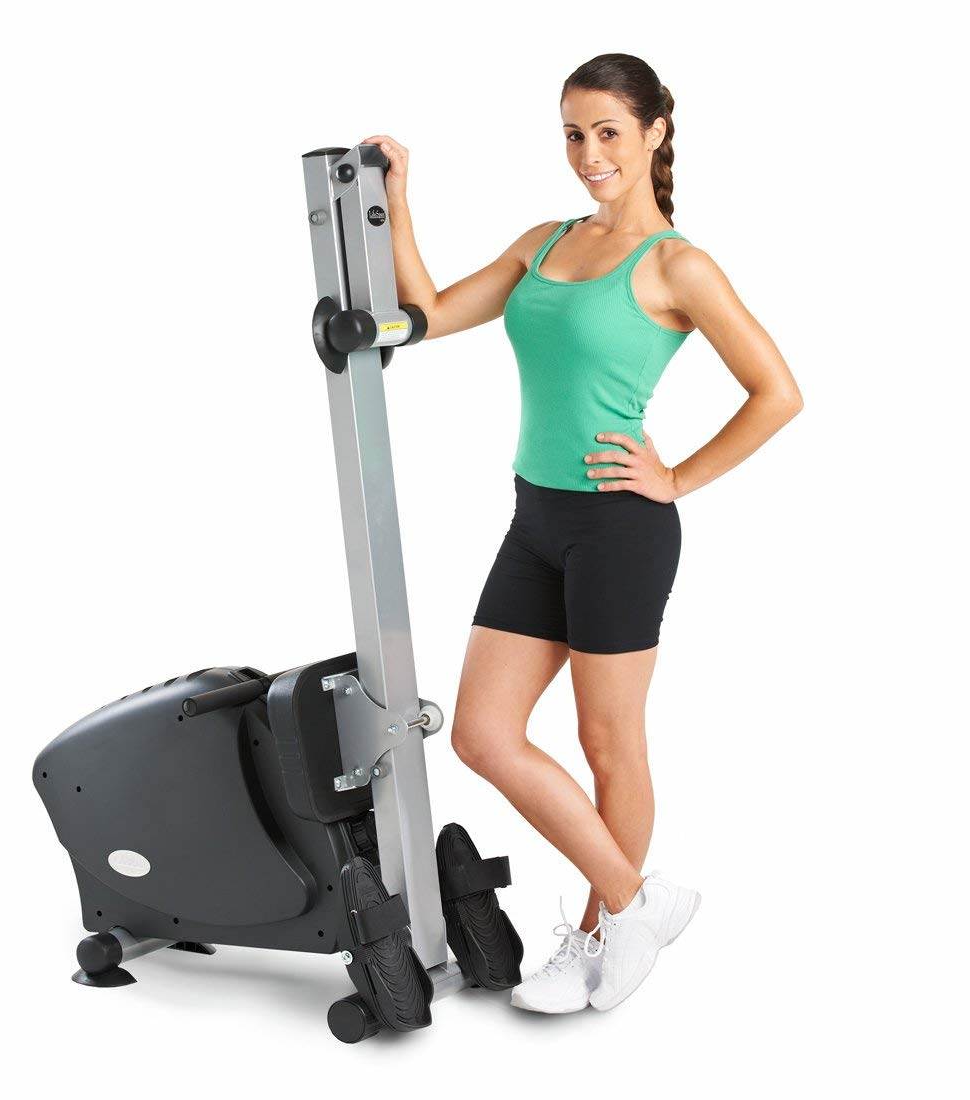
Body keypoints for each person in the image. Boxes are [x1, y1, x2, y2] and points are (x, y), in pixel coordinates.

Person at [362, 52, 802, 1016]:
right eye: (574, 133)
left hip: (619, 529)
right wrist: (396, 195)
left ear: (653, 132)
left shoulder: (678, 265)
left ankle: (603, 936)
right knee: (482, 735)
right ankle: (640, 903)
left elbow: (778, 393)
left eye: (608, 131)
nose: (590, 152)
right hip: (535, 519)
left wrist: (676, 477)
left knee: (609, 745)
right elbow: (427, 317)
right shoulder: (544, 241)